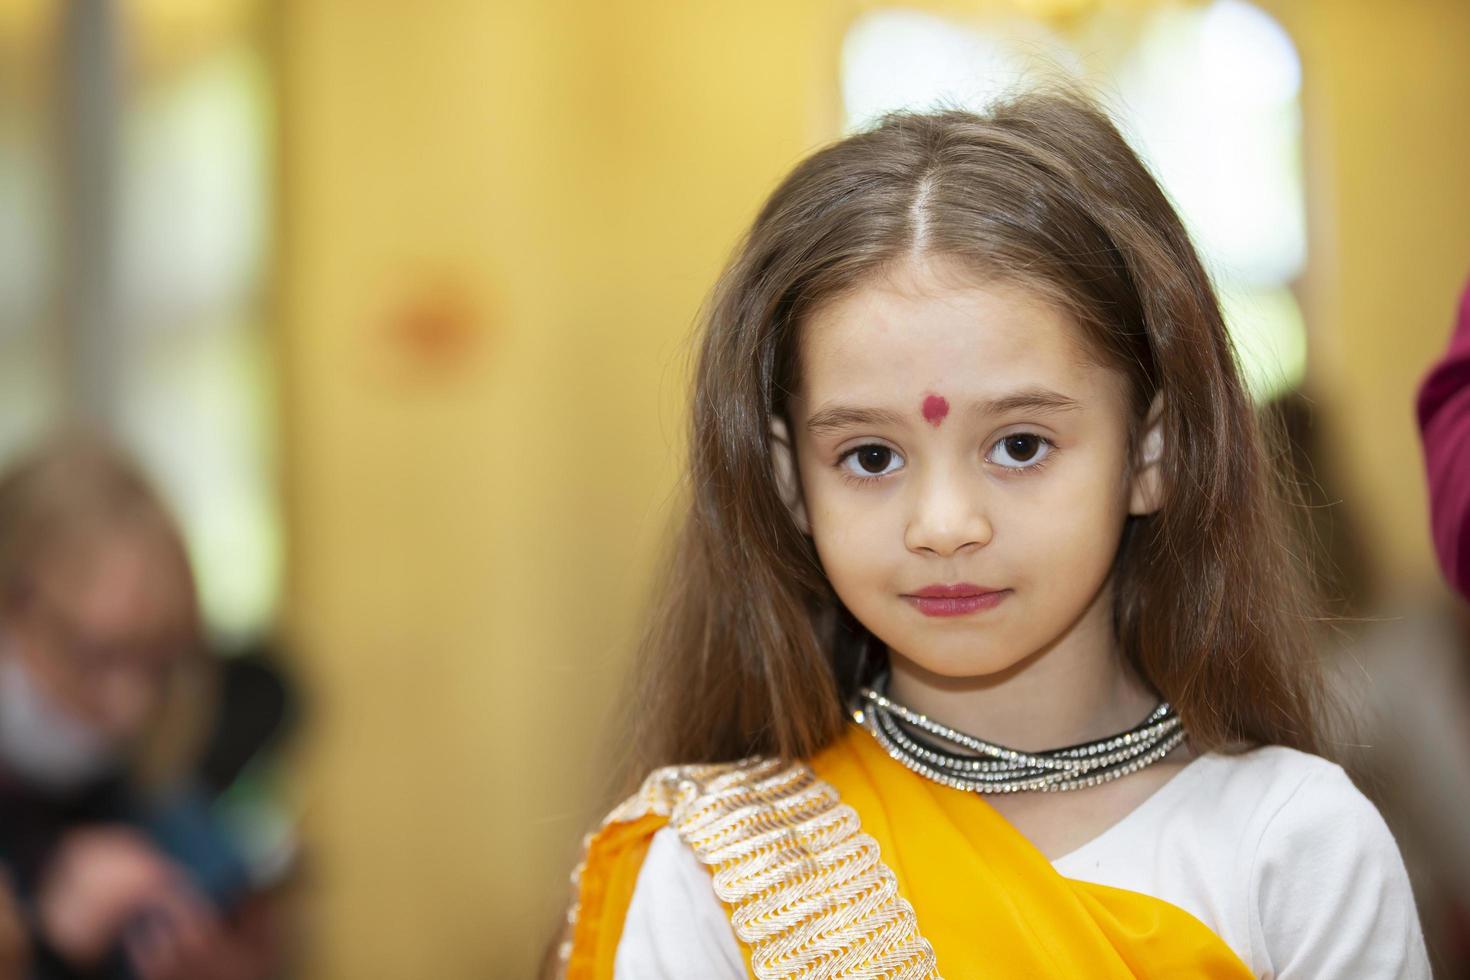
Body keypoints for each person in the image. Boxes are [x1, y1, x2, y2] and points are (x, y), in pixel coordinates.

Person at [554, 91, 1430, 978]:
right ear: (790, 483)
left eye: (1019, 445)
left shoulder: (1293, 848)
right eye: (869, 457)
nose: (944, 526)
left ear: (1150, 452)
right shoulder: (724, 873)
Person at [0, 434, 280, 980]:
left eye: (156, 664)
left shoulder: (167, 818)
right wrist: (47, 948)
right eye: (94, 656)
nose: (129, 705)